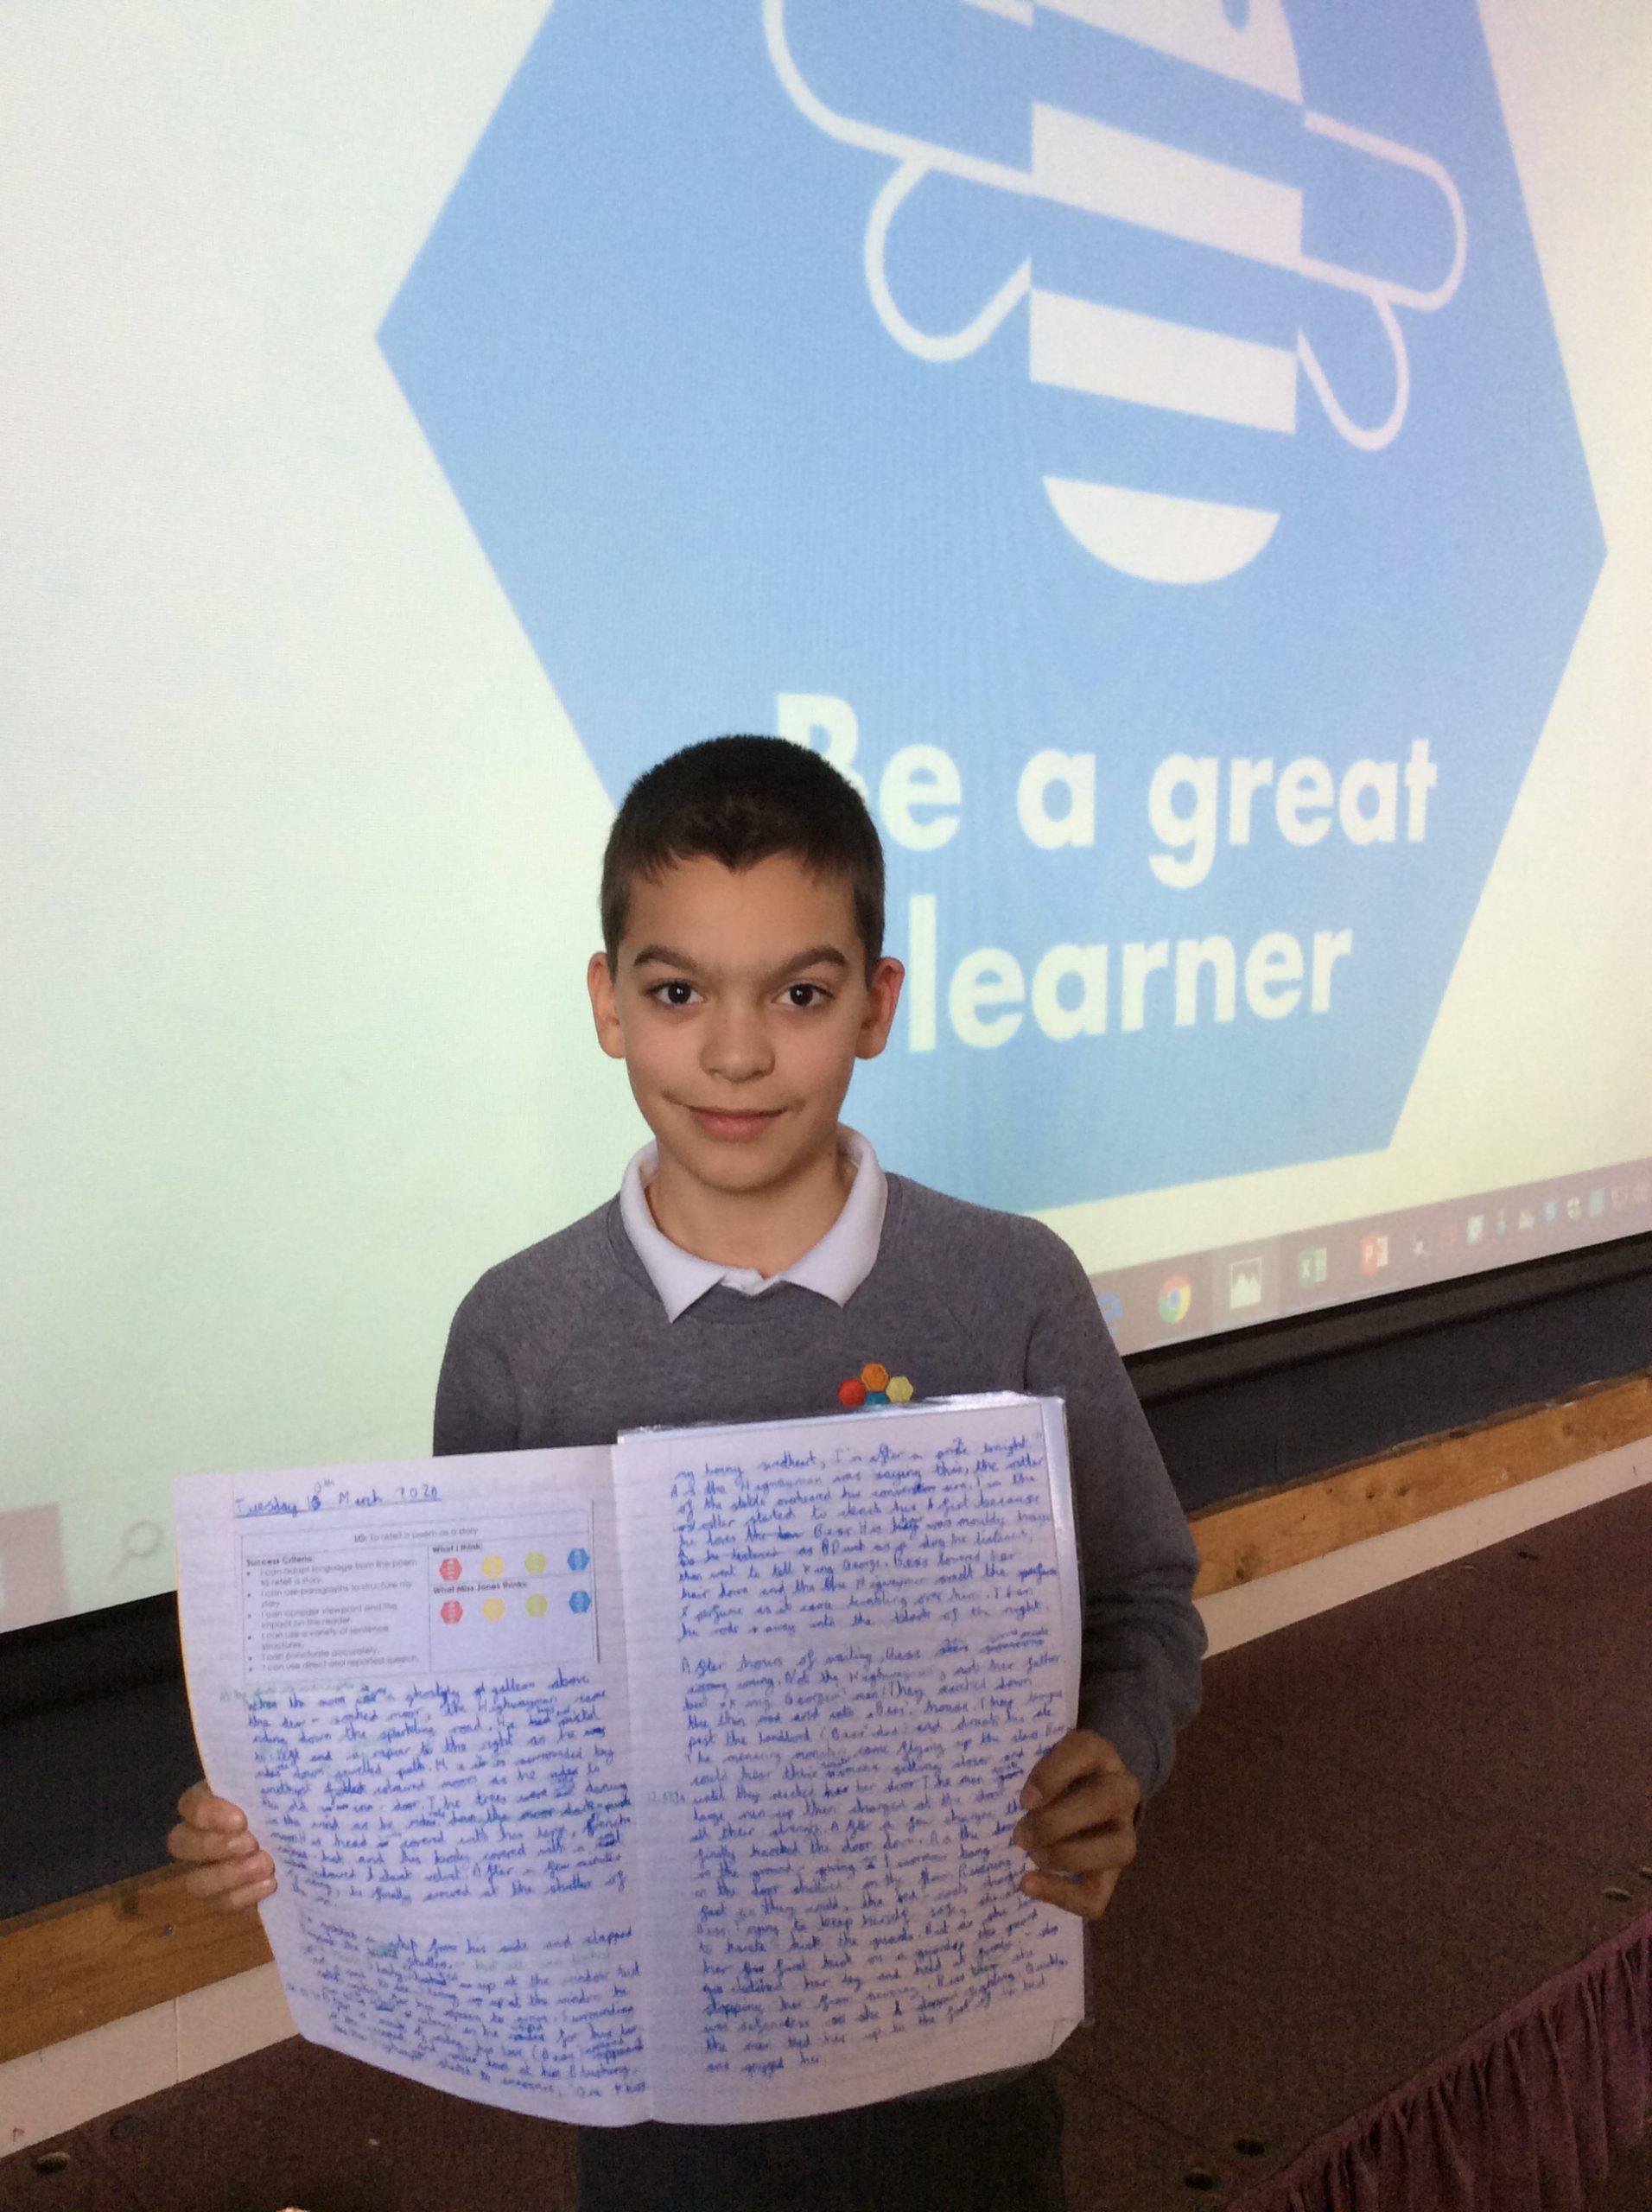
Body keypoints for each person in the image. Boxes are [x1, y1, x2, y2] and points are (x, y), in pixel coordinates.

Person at [168, 734, 1206, 2210]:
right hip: (654, 2106)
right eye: (677, 993)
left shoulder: (1010, 1284)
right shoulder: (519, 1330)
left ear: (879, 1003)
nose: (735, 1054)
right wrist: (292, 1821)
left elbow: (1147, 1598)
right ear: (607, 1003)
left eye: (799, 994)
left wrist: (1119, 1751)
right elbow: (480, 1710)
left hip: (956, 2066)